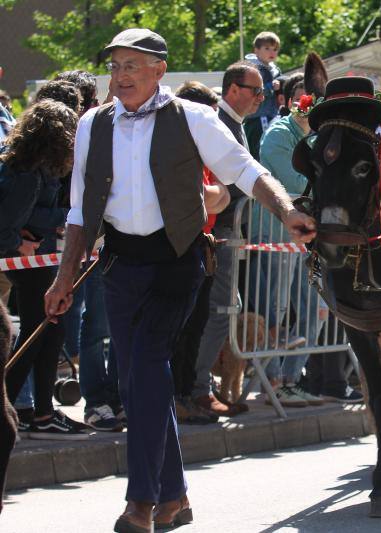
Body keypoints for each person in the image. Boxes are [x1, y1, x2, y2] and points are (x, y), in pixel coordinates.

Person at [43, 29, 316, 532]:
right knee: (138, 380)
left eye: (132, 65)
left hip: (177, 262)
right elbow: (81, 207)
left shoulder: (193, 117)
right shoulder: (91, 124)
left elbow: (243, 169)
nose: (121, 75)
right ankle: (176, 497)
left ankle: (140, 502)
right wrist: (64, 278)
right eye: (115, 66)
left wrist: (287, 209)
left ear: (158, 70)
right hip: (120, 265)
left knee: (146, 370)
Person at [0, 100, 84, 439]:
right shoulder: (29, 175)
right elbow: (7, 224)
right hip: (22, 263)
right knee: (34, 335)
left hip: (27, 262)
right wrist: (21, 242)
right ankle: (9, 406)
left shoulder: (21, 165)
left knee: (42, 332)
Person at [51, 70, 125, 432]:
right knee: (94, 325)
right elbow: (75, 199)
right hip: (86, 244)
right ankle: (97, 400)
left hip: (113, 242)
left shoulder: (111, 127)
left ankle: (113, 395)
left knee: (109, 324)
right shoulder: (83, 133)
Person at [191, 60, 265, 419]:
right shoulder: (220, 123)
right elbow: (231, 181)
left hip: (224, 232)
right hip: (217, 233)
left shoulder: (235, 123)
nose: (261, 99)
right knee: (219, 311)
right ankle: (197, 387)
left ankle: (201, 385)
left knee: (223, 309)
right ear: (233, 89)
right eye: (255, 91)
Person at [252, 77, 331, 407]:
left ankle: (290, 377)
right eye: (303, 98)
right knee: (275, 310)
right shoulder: (279, 135)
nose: (308, 105)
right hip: (275, 237)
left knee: (314, 310)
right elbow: (295, 184)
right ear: (290, 100)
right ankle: (273, 380)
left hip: (304, 240)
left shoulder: (314, 137)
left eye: (315, 100)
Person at [171, 81, 231, 424]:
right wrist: (211, 195)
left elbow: (220, 197)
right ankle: (173, 397)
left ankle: (185, 394)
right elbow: (202, 196)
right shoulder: (176, 147)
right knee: (176, 330)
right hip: (177, 248)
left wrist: (211, 194)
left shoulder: (203, 148)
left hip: (202, 245)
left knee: (196, 326)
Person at [243, 31, 282, 159]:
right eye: (267, 48)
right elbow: (252, 91)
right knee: (257, 154)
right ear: (256, 50)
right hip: (257, 118)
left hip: (273, 116)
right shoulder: (252, 69)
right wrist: (271, 87)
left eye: (275, 49)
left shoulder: (275, 70)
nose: (272, 52)